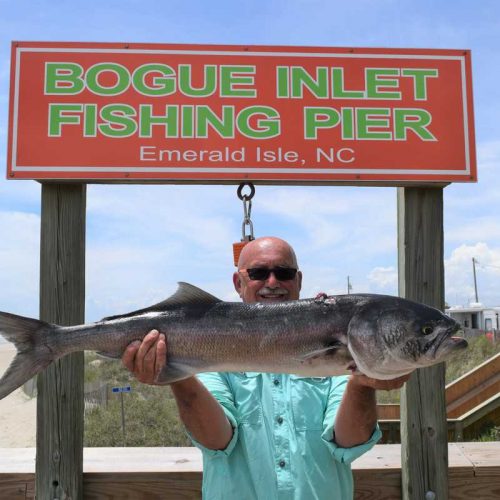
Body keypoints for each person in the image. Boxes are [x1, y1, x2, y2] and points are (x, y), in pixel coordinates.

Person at [122, 236, 410, 499]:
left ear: (298, 280)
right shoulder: (204, 345)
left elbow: (349, 442)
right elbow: (216, 439)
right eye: (259, 273)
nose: (272, 282)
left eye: (283, 273)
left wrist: (362, 383)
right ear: (238, 282)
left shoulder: (342, 347)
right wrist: (177, 374)